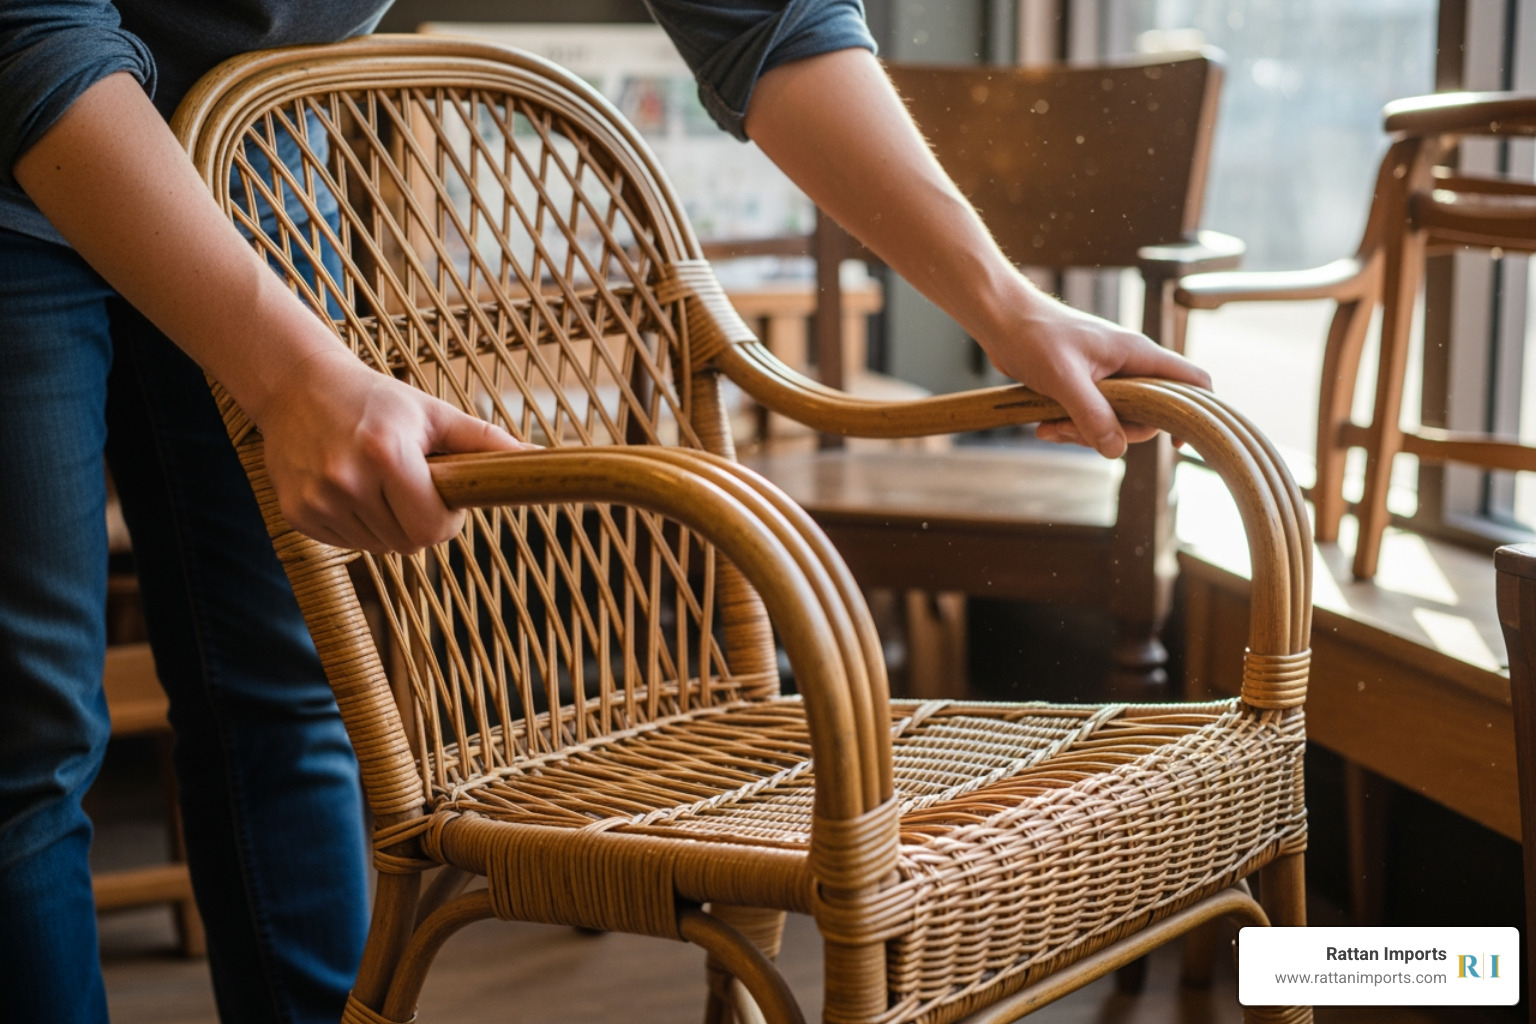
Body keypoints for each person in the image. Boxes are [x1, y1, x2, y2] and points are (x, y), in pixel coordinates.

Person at [0, 1, 1210, 1021]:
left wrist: (1008, 307)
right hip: (20, 116)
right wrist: (291, 373)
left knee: (289, 683)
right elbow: (34, 30)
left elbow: (771, 21)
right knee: (29, 735)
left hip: (246, 151)